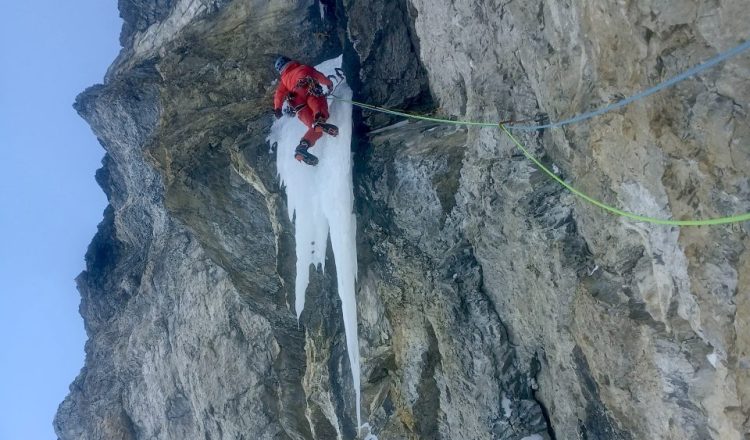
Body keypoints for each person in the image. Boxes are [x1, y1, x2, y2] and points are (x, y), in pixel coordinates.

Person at [273, 56, 339, 166]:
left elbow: (279, 95)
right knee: (318, 108)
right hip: (308, 89)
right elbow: (319, 76)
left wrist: (277, 108)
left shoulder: (284, 81)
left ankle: (302, 147)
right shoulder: (302, 68)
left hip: (297, 102)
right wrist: (329, 83)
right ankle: (319, 120)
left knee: (314, 127)